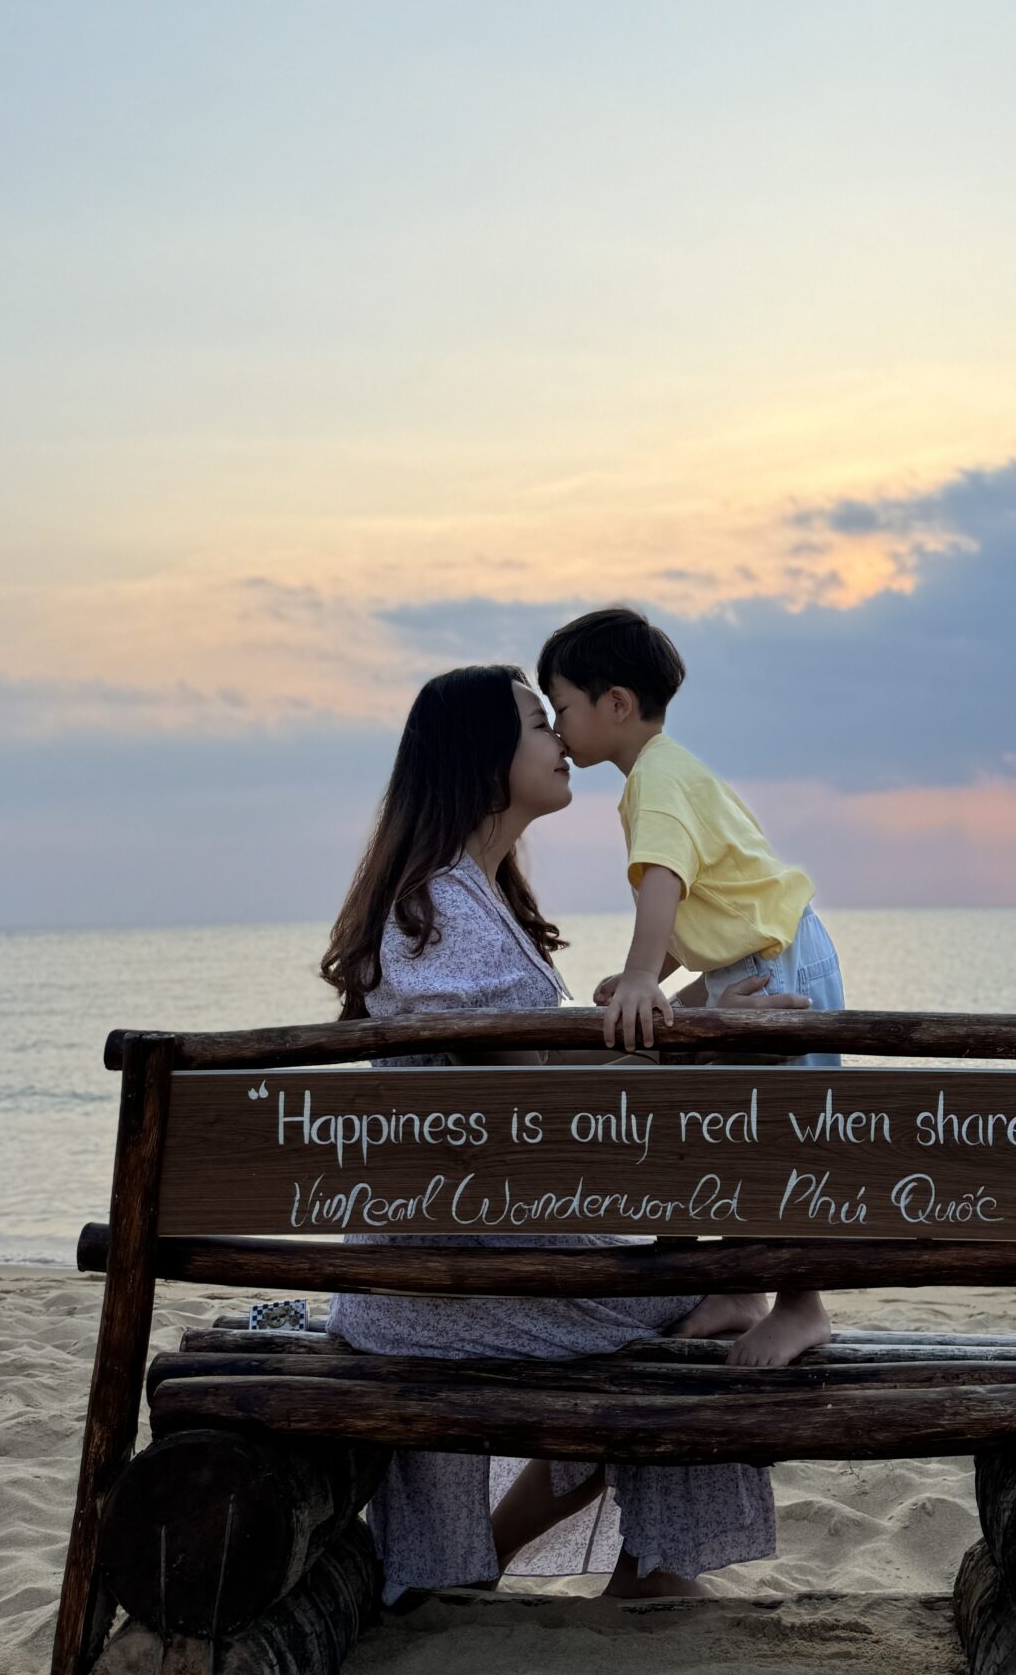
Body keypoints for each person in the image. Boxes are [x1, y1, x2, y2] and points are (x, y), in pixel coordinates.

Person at [317, 663, 796, 1602]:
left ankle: (489, 1565)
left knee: (694, 1304)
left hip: (445, 1261)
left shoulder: (456, 898)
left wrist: (695, 1003)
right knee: (705, 1314)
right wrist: (694, 1037)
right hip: (445, 1285)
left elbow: (544, 1096)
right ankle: (649, 1573)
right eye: (538, 724)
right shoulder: (445, 910)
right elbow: (557, 1108)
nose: (559, 741)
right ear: (482, 757)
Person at [536, 605, 839, 1368]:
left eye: (562, 707)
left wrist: (644, 974)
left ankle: (803, 1305)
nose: (557, 727)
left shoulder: (657, 780)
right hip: (757, 954)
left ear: (616, 705)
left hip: (778, 961)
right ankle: (741, 1289)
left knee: (782, 1133)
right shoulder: (667, 774)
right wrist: (651, 973)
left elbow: (665, 879)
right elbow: (700, 899)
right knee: (735, 1122)